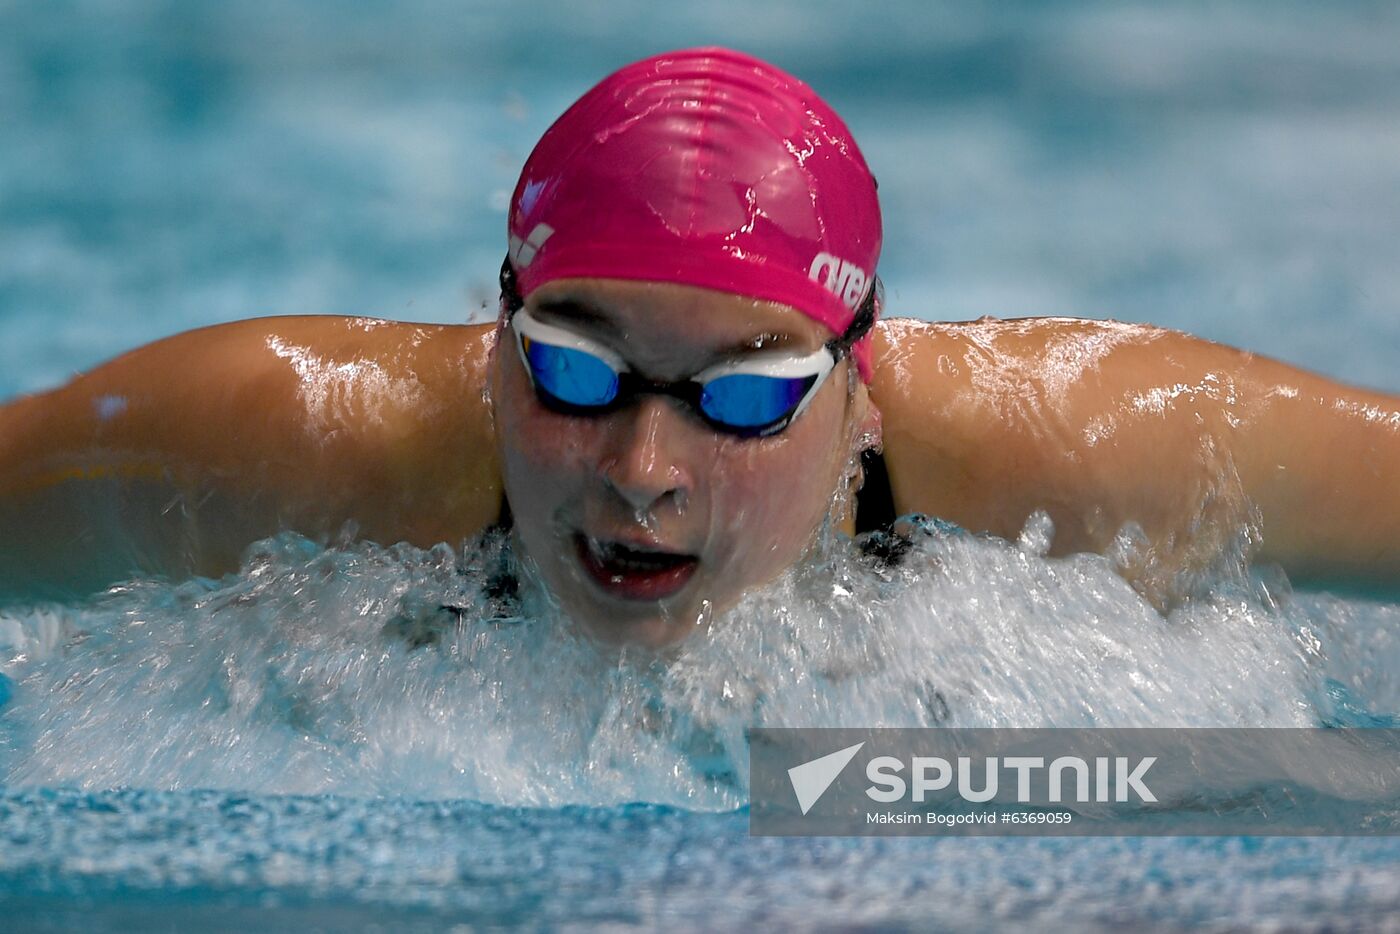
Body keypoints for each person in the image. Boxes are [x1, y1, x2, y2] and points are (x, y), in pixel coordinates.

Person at [0, 47, 1396, 647]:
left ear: (862, 388)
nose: (642, 469)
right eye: (574, 371)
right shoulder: (300, 441)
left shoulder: (1084, 451)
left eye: (744, 394)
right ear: (494, 339)